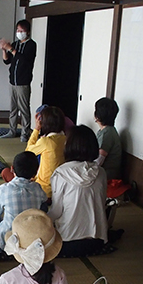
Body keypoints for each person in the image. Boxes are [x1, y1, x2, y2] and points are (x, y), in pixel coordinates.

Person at [48, 125, 109, 257]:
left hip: (66, 242)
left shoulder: (61, 173)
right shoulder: (101, 172)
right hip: (97, 241)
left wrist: (40, 220)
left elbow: (56, 211)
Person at [0, 19, 36, 142]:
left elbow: (23, 59)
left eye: (21, 31)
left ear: (28, 32)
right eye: (17, 30)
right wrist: (4, 49)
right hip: (12, 82)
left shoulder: (31, 45)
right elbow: (7, 61)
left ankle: (25, 133)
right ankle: (12, 130)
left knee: (24, 109)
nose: (19, 33)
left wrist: (11, 49)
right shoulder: (15, 43)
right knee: (13, 109)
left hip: (23, 83)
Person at [25, 105, 67, 198]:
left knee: (7, 172)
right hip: (61, 190)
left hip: (43, 191)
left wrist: (36, 129)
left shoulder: (46, 141)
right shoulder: (66, 139)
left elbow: (28, 152)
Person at [94, 97, 122, 181]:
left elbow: (99, 160)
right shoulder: (105, 131)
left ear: (98, 115)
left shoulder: (107, 133)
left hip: (105, 176)